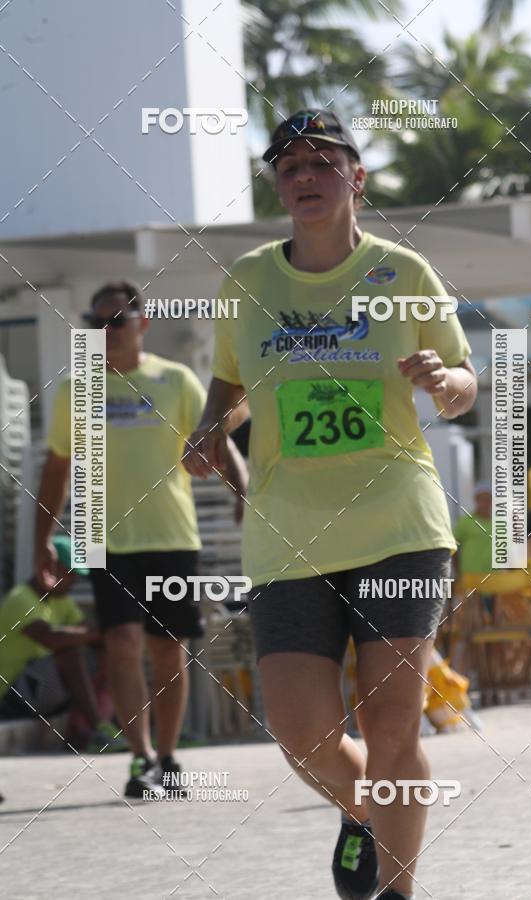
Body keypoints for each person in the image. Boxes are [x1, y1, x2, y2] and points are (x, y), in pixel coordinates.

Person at [183, 109, 477, 899]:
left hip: (398, 525)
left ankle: (398, 888)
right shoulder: (247, 280)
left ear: (357, 177)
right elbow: (232, 384)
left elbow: (463, 380)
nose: (305, 177)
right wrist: (213, 426)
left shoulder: (403, 272)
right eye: (289, 168)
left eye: (322, 162)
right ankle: (367, 816)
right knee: (302, 734)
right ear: (279, 186)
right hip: (288, 536)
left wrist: (443, 384)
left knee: (391, 727)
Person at [34, 281, 247, 799]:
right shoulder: (77, 388)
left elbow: (216, 435)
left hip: (170, 535)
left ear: (142, 324)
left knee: (168, 650)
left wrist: (244, 490)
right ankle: (141, 757)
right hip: (101, 537)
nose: (106, 332)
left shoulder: (174, 380)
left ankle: (169, 757)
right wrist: (42, 537)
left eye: (117, 321)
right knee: (122, 643)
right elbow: (59, 465)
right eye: (96, 323)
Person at [0, 536, 121, 751]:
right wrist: (93, 634)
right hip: (10, 696)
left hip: (38, 689)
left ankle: (119, 726)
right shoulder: (20, 599)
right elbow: (51, 638)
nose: (74, 581)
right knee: (69, 654)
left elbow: (92, 634)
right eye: (71, 573)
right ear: (50, 566)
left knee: (109, 651)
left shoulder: (60, 600)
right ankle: (98, 728)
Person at [453, 482, 494, 617]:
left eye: (489, 499)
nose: (486, 503)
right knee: (472, 619)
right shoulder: (466, 522)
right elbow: (453, 546)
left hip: (495, 580)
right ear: (476, 500)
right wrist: (458, 572)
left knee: (494, 616)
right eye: (482, 499)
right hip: (471, 579)